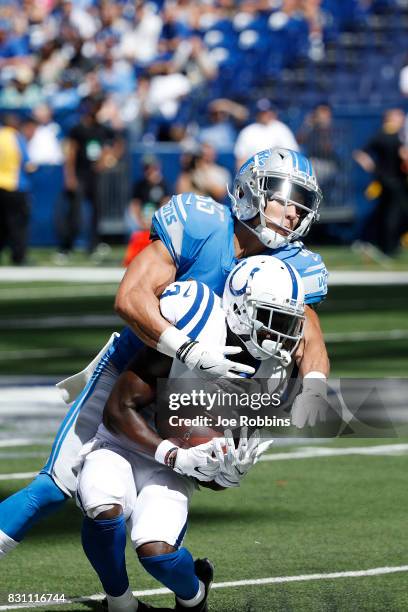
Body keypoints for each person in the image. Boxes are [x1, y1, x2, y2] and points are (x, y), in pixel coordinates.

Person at [0, 147, 329, 559]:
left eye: (301, 205)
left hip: (199, 391)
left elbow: (309, 336)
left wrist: (313, 388)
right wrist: (185, 348)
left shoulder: (294, 263)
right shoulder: (202, 223)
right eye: (284, 198)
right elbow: (130, 296)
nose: (293, 213)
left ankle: (182, 583)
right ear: (249, 191)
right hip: (135, 366)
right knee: (55, 485)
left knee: (192, 481)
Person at [76, 255, 304, 612]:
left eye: (287, 323)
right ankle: (121, 603)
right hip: (123, 442)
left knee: (157, 553)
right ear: (241, 307)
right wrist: (174, 453)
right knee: (103, 508)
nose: (279, 335)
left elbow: (211, 466)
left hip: (174, 466)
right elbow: (120, 408)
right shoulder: (197, 322)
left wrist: (224, 475)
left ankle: (195, 597)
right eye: (272, 319)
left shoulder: (272, 374)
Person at [62, 95, 124, 257]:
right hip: (80, 173)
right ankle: (67, 246)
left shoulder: (102, 128)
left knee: (97, 211)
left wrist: (107, 159)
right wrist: (70, 176)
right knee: (75, 212)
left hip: (95, 175)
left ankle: (93, 245)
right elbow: (71, 153)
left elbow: (118, 143)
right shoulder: (78, 129)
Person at [353, 108, 408, 256]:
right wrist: (372, 167)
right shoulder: (390, 135)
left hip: (389, 180)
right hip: (392, 181)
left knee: (388, 212)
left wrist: (374, 169)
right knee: (394, 213)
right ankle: (389, 247)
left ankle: (387, 244)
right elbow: (360, 153)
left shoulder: (394, 135)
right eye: (399, 116)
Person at [0, 114, 33, 265]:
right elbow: (27, 163)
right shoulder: (15, 137)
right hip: (15, 185)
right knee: (18, 224)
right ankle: (19, 256)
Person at [234, 99, 299, 168]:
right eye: (262, 113)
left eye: (267, 111)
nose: (265, 115)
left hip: (278, 170)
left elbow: (293, 155)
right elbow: (240, 159)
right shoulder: (248, 131)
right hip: (254, 171)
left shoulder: (282, 129)